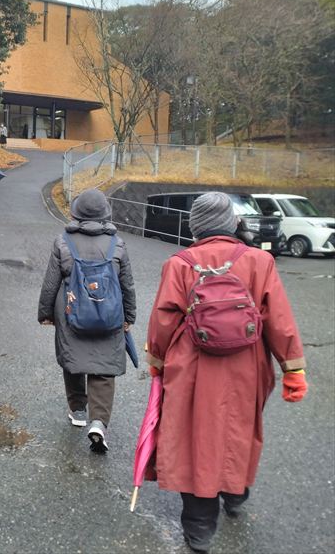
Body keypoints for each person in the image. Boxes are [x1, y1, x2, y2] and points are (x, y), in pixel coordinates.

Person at [146, 192, 308, 553]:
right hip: (246, 366)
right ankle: (236, 494)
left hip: (192, 366)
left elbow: (163, 320)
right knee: (238, 429)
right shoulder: (259, 260)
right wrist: (293, 369)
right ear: (232, 223)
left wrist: (157, 361)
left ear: (196, 227)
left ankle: (200, 528)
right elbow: (279, 319)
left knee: (195, 437)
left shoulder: (180, 263)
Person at [37, 189, 136, 452]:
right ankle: (99, 422)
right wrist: (129, 316)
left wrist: (45, 313)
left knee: (73, 358)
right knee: (103, 368)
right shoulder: (117, 244)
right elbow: (126, 284)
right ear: (105, 213)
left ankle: (78, 410)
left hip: (72, 312)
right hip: (109, 314)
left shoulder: (63, 242)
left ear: (76, 212)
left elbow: (51, 282)